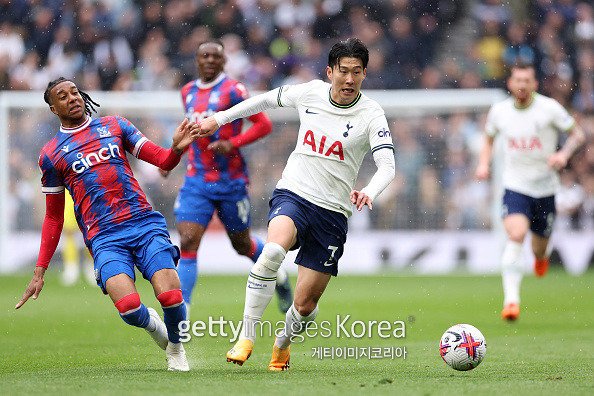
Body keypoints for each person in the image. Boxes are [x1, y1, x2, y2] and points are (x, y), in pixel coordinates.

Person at [198, 38, 396, 371]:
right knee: (272, 252)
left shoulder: (371, 113)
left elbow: (387, 165)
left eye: (356, 73)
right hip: (294, 193)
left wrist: (370, 191)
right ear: (330, 71)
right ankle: (246, 336)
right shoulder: (309, 93)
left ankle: (282, 345)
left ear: (365, 74)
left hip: (332, 213)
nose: (349, 79)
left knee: (305, 305)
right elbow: (261, 101)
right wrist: (219, 120)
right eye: (343, 71)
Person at [15, 77, 201, 371]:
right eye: (62, 96)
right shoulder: (51, 154)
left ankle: (176, 349)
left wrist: (176, 148)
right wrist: (40, 271)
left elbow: (163, 161)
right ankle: (156, 328)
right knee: (128, 309)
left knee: (170, 294)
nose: (72, 98)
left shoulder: (115, 126)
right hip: (104, 236)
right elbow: (53, 217)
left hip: (143, 223)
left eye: (75, 92)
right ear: (53, 109)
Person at [164, 39, 292, 318]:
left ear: (224, 62)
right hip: (196, 179)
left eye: (215, 56)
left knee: (242, 245)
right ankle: (182, 313)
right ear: (196, 60)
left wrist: (232, 142)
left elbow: (264, 125)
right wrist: (170, 158)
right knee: (186, 241)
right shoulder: (187, 91)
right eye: (204, 55)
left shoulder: (234, 90)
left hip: (231, 181)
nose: (210, 60)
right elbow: (190, 133)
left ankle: (279, 278)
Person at [475, 63, 585, 321]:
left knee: (538, 248)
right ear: (510, 84)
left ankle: (540, 257)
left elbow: (577, 135)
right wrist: (483, 163)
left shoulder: (549, 109)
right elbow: (489, 138)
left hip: (545, 189)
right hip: (515, 186)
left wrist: (563, 154)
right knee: (516, 234)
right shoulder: (499, 111)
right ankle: (511, 302)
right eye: (517, 80)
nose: (522, 85)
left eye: (527, 80)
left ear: (534, 85)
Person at [60, 189, 95, 286]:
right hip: (68, 191)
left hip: (86, 190)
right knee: (69, 231)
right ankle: (71, 267)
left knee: (89, 230)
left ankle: (91, 267)